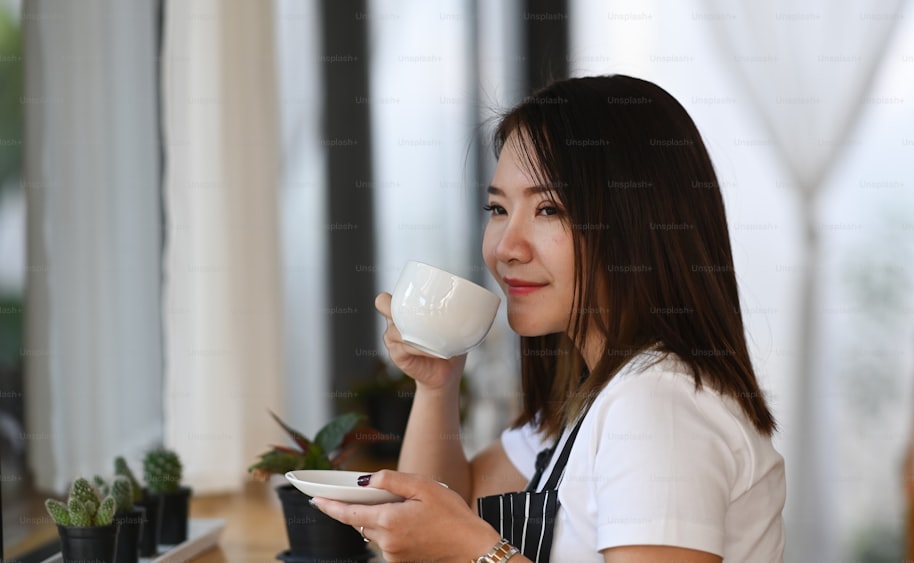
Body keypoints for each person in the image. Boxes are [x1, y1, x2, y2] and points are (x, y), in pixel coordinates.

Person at [312, 74, 786, 562]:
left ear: (637, 223)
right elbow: (442, 509)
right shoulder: (589, 396)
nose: (505, 248)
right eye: (498, 208)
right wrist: (438, 385)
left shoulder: (656, 406)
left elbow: (457, 537)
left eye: (549, 209)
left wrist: (481, 552)